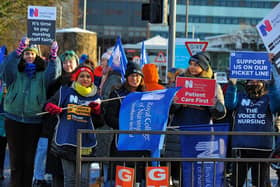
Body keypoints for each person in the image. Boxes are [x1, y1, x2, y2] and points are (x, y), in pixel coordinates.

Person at [0, 36, 61, 187]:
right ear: (23, 55)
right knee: (15, 160)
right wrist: (17, 50)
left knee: (28, 160)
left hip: (34, 121)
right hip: (13, 119)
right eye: (26, 53)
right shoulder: (15, 72)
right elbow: (5, 69)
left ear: (36, 56)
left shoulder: (42, 74)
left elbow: (54, 74)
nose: (29, 56)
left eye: (32, 54)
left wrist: (54, 56)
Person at [166, 52, 226, 184]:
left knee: (198, 172)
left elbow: (221, 113)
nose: (192, 67)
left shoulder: (213, 85)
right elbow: (167, 109)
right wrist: (175, 103)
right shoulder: (180, 82)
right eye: (191, 64)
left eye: (196, 65)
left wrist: (213, 105)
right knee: (178, 172)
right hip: (178, 133)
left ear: (204, 67)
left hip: (201, 133)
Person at [44, 64, 103, 187]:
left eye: (88, 76)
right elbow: (49, 104)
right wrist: (50, 107)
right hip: (66, 141)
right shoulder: (64, 91)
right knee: (69, 179)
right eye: (82, 76)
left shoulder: (97, 96)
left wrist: (97, 112)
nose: (85, 79)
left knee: (83, 180)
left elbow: (100, 122)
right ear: (75, 77)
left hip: (86, 143)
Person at [225, 64, 280, 187]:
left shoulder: (268, 99)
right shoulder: (240, 97)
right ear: (246, 83)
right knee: (236, 182)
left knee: (260, 183)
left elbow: (276, 106)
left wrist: (272, 85)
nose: (253, 83)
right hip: (241, 146)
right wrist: (232, 86)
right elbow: (229, 105)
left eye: (257, 81)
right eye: (250, 81)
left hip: (262, 147)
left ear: (263, 83)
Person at [103, 62, 147, 186]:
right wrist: (127, 126)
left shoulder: (146, 95)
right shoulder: (117, 94)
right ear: (127, 77)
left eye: (138, 76)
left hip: (139, 144)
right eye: (132, 75)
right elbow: (109, 118)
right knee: (121, 181)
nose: (135, 78)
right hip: (121, 143)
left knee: (137, 180)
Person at [44, 50, 80, 187]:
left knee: (73, 171)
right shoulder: (56, 82)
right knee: (57, 169)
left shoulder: (82, 80)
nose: (68, 64)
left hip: (75, 130)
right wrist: (50, 107)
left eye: (71, 61)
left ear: (76, 63)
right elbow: (46, 102)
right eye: (65, 62)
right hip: (57, 130)